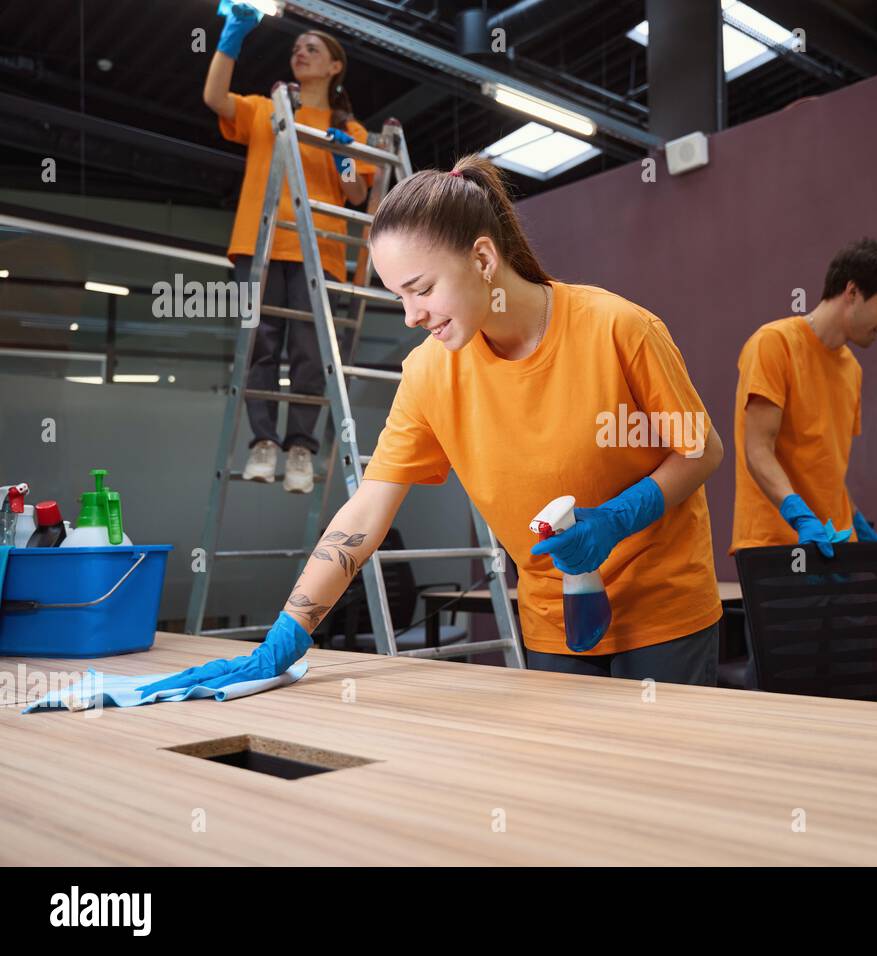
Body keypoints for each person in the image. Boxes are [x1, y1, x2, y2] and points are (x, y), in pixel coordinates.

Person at [139, 157, 724, 697]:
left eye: (421, 289)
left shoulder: (617, 328)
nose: (412, 315)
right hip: (553, 617)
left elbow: (700, 451)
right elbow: (366, 511)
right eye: (399, 296)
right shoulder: (428, 372)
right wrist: (288, 632)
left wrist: (619, 518)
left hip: (663, 607)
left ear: (484, 260)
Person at [728, 238, 877, 688]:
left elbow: (827, 467)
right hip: (780, 553)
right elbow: (757, 449)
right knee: (785, 702)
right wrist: (800, 516)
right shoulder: (773, 344)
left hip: (837, 554)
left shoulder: (851, 369)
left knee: (845, 694)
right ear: (852, 292)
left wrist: (857, 523)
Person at [203, 2, 375, 494]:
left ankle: (300, 447)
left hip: (317, 252)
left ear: (334, 66)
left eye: (313, 47)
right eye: (297, 46)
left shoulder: (352, 130)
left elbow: (359, 194)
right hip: (255, 247)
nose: (300, 50)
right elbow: (215, 97)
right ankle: (262, 443)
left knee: (307, 353)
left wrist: (344, 157)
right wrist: (231, 35)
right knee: (259, 346)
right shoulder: (266, 109)